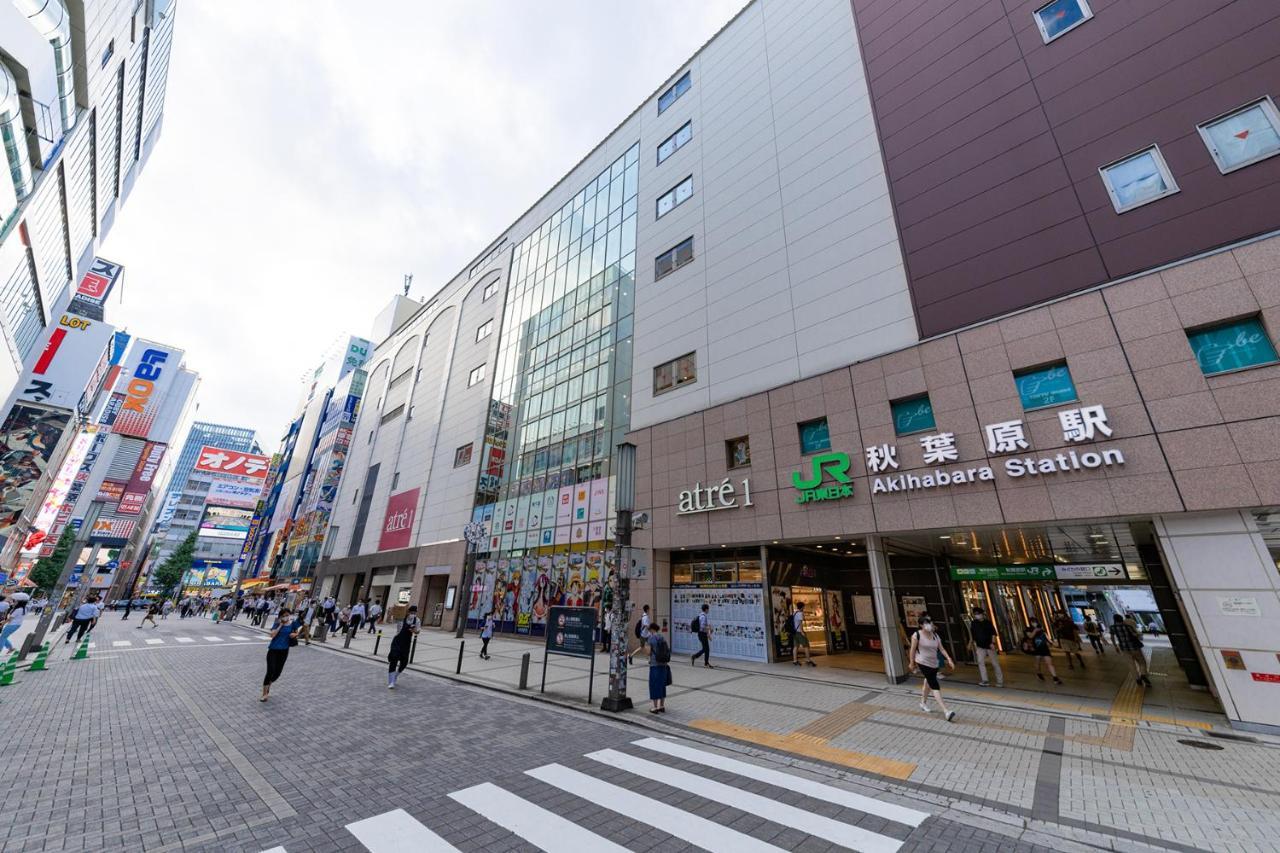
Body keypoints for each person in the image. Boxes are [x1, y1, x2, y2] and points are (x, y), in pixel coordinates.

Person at [909, 615, 957, 721]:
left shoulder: (935, 635)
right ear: (921, 625)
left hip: (934, 663)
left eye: (930, 622)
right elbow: (912, 650)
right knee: (934, 684)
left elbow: (942, 649)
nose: (929, 625)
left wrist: (949, 659)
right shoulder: (916, 635)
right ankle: (946, 711)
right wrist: (911, 663)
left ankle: (922, 703)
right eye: (926, 623)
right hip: (922, 662)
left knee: (928, 682)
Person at [261, 609, 301, 702]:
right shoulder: (277, 623)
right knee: (270, 671)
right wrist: (281, 624)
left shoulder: (293, 624)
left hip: (284, 651)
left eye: (287, 615)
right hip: (273, 650)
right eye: (284, 615)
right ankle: (264, 694)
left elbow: (298, 632)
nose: (286, 617)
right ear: (280, 616)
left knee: (277, 673)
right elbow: (272, 635)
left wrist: (294, 634)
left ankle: (268, 685)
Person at [1111, 613, 1151, 686]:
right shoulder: (1127, 626)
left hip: (1124, 649)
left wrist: (1115, 646)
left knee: (1131, 664)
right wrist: (1139, 634)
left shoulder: (1112, 627)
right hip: (1134, 647)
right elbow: (1134, 634)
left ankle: (1137, 679)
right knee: (1142, 662)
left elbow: (1112, 637)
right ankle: (1143, 674)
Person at [387, 606, 421, 688]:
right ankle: (391, 682)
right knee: (394, 660)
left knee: (404, 662)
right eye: (411, 612)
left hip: (406, 643)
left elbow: (418, 631)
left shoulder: (417, 620)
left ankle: (396, 675)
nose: (412, 614)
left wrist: (413, 630)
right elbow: (389, 621)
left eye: (414, 613)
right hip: (397, 641)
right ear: (408, 612)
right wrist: (390, 613)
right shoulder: (401, 618)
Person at [969, 610, 1003, 687]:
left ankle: (1000, 681)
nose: (976, 615)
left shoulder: (988, 623)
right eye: (975, 614)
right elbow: (972, 634)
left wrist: (993, 643)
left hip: (989, 645)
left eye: (978, 614)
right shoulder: (974, 623)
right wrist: (970, 643)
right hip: (979, 645)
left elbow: (993, 634)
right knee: (980, 662)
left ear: (982, 614)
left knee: (995, 663)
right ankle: (985, 680)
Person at [1022, 620, 1062, 684]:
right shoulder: (1029, 629)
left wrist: (1052, 644)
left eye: (1035, 622)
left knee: (1049, 663)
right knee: (1037, 663)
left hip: (1044, 649)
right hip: (1036, 649)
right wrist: (1035, 630)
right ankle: (1039, 673)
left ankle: (1055, 678)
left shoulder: (1041, 630)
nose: (1034, 623)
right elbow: (1030, 636)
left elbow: (1047, 638)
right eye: (1033, 622)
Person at [647, 624, 671, 713]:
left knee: (654, 685)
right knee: (662, 685)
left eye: (649, 630)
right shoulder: (662, 637)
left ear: (652, 629)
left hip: (655, 664)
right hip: (664, 664)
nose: (649, 631)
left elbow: (648, 652)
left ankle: (655, 707)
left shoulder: (651, 638)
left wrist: (644, 648)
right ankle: (662, 706)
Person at [791, 601, 815, 667]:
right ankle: (808, 660)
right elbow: (800, 623)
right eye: (804, 606)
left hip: (794, 632)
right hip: (799, 632)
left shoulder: (794, 613)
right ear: (802, 607)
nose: (804, 608)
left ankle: (795, 660)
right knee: (806, 646)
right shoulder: (800, 613)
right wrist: (802, 632)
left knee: (796, 646)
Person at [690, 603, 713, 668]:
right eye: (708, 609)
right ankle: (705, 663)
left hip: (701, 634)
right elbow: (702, 627)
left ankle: (695, 657)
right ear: (706, 609)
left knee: (705, 649)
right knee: (706, 649)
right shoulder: (703, 616)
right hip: (702, 634)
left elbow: (704, 626)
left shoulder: (701, 615)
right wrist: (709, 628)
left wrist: (708, 632)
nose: (709, 610)